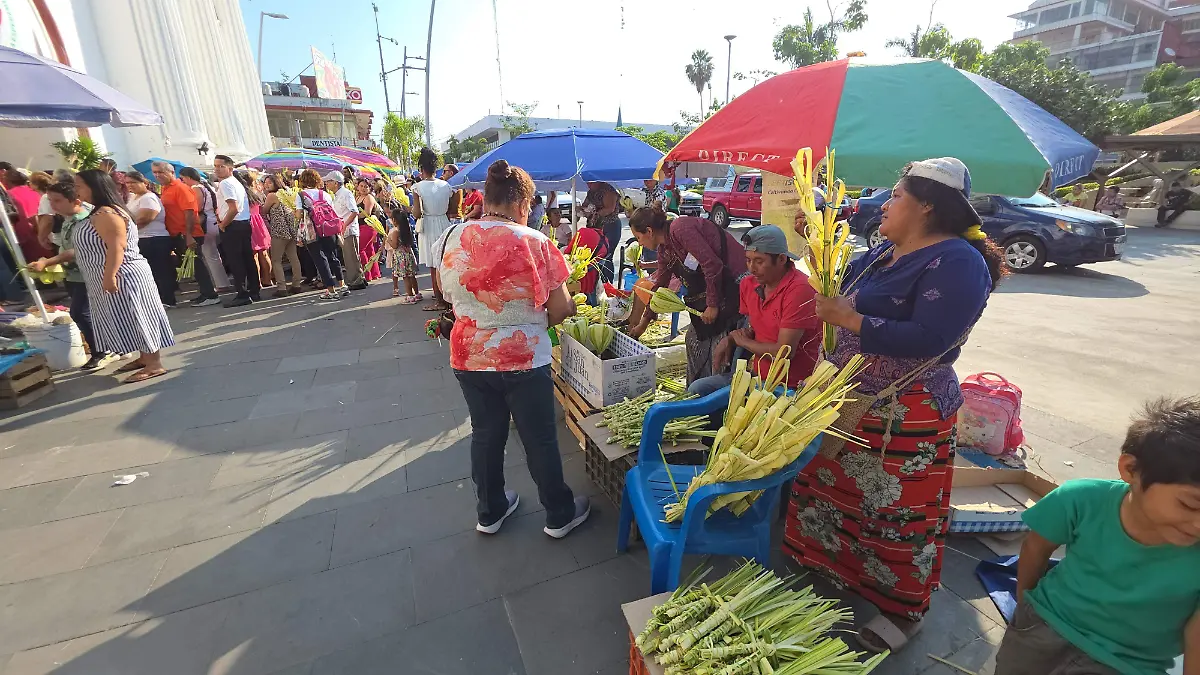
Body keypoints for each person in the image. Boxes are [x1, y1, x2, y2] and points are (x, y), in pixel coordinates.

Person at [784, 158, 1004, 653]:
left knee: (895, 516)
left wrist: (854, 321)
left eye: (896, 195)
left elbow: (933, 337)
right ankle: (837, 571)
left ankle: (902, 611)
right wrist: (816, 244)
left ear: (927, 204)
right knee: (832, 491)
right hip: (849, 403)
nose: (885, 204)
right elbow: (840, 285)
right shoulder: (887, 250)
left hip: (904, 415)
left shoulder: (957, 261)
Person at [437, 158, 590, 538]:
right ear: (523, 204)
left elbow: (444, 291)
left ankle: (489, 511)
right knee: (538, 437)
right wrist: (544, 317)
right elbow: (560, 308)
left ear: (486, 198)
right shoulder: (535, 241)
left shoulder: (449, 237)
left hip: (469, 355)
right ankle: (559, 513)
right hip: (523, 358)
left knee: (486, 434)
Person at [995, 396, 1200, 675]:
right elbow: (1035, 548)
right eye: (1191, 504)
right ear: (1131, 470)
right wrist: (1025, 609)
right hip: (1041, 629)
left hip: (1127, 664)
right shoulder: (1081, 499)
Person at [687, 225, 820, 398]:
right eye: (748, 260)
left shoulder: (800, 289)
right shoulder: (749, 284)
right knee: (698, 390)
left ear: (781, 259)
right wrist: (731, 338)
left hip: (788, 386)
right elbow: (755, 329)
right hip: (755, 376)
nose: (751, 268)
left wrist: (741, 342)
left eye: (759, 261)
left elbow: (784, 353)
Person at [68, 170, 174, 382]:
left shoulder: (107, 213)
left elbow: (117, 246)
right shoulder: (101, 211)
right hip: (115, 274)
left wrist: (110, 276)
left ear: (94, 187)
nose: (76, 190)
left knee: (138, 316)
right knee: (129, 317)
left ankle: (154, 364)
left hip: (124, 275)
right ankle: (145, 357)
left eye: (79, 185)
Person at [627, 208, 748, 384]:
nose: (639, 244)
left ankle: (713, 396)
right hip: (713, 292)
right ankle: (695, 392)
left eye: (638, 237)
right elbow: (660, 287)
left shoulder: (680, 228)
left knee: (718, 348)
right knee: (692, 339)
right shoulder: (664, 251)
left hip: (735, 284)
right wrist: (642, 325)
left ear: (649, 231)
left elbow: (712, 264)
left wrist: (712, 305)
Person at [27, 182, 118, 371]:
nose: (53, 206)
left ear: (75, 200)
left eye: (57, 201)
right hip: (75, 275)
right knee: (88, 313)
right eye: (50, 201)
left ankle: (103, 350)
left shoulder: (85, 219)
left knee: (80, 313)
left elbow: (76, 251)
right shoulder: (68, 219)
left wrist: (48, 262)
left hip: (88, 274)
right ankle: (107, 347)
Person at [152, 161, 216, 306]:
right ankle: (205, 293)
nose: (157, 175)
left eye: (160, 172)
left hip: (187, 233)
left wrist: (188, 234)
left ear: (171, 172)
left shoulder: (180, 188)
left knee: (197, 265)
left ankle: (210, 295)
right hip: (176, 233)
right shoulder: (166, 188)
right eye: (155, 172)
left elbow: (189, 213)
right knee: (193, 266)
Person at [124, 171, 177, 309]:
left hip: (154, 238)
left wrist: (125, 228)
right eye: (127, 183)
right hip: (141, 238)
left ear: (144, 183)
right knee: (151, 271)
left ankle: (168, 299)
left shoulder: (149, 198)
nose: (130, 185)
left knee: (160, 270)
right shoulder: (133, 198)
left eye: (133, 182)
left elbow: (145, 218)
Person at [213, 155, 259, 307]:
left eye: (221, 166)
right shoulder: (236, 183)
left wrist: (223, 224)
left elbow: (234, 208)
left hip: (233, 225)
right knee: (247, 258)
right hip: (243, 223)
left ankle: (243, 293)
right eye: (216, 166)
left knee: (236, 260)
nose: (217, 169)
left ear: (230, 168)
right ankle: (254, 291)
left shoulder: (226, 183)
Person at [294, 168, 346, 301]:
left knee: (320, 260)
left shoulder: (301, 195)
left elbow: (299, 215)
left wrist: (295, 213)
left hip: (313, 231)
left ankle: (331, 290)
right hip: (328, 228)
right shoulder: (325, 194)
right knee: (332, 256)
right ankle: (342, 284)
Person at [412, 148, 453, 311]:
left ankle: (440, 300)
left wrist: (408, 209)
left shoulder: (418, 187)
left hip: (428, 224)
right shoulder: (446, 185)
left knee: (433, 264)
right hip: (444, 222)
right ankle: (448, 297)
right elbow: (451, 207)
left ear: (421, 169)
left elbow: (417, 212)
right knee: (445, 262)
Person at [179, 167, 228, 302]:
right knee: (213, 254)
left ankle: (220, 284)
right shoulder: (206, 187)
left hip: (205, 223)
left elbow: (198, 207)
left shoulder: (196, 188)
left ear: (188, 177)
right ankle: (222, 282)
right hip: (212, 220)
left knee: (209, 255)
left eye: (183, 178)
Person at [262, 174, 302, 297]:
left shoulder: (272, 195)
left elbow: (264, 210)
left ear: (275, 183)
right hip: (291, 229)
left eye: (269, 182)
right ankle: (296, 284)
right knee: (293, 257)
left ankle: (282, 287)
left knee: (276, 260)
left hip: (279, 230)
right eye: (265, 182)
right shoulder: (288, 192)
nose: (266, 185)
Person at [324, 171, 364, 290]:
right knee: (348, 258)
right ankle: (357, 280)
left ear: (335, 183)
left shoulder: (346, 194)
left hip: (349, 230)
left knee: (352, 258)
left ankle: (356, 281)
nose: (326, 184)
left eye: (328, 181)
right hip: (343, 230)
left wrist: (344, 225)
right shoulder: (337, 195)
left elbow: (354, 211)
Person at [4, 167, 52, 264]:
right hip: (45, 234)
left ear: (8, 180)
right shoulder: (35, 191)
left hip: (26, 236)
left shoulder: (8, 195)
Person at [581, 182, 622, 283]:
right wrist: (583, 210)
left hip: (610, 225)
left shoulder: (608, 191)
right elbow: (585, 205)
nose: (588, 184)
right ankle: (596, 283)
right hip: (594, 227)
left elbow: (610, 208)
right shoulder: (591, 192)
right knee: (594, 257)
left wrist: (595, 213)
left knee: (607, 256)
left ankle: (607, 283)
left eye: (590, 182)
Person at [386, 207, 420, 303]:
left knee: (405, 277)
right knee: (412, 276)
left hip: (401, 257)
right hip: (409, 254)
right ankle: (417, 293)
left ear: (394, 220)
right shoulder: (407, 228)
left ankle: (410, 295)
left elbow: (395, 245)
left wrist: (388, 240)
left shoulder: (395, 231)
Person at [355, 178, 382, 282]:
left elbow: (367, 213)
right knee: (369, 250)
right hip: (361, 226)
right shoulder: (358, 197)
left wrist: (354, 216)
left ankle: (366, 274)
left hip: (367, 226)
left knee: (361, 249)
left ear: (370, 188)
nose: (363, 188)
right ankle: (374, 273)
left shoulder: (369, 197)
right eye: (361, 186)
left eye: (366, 186)